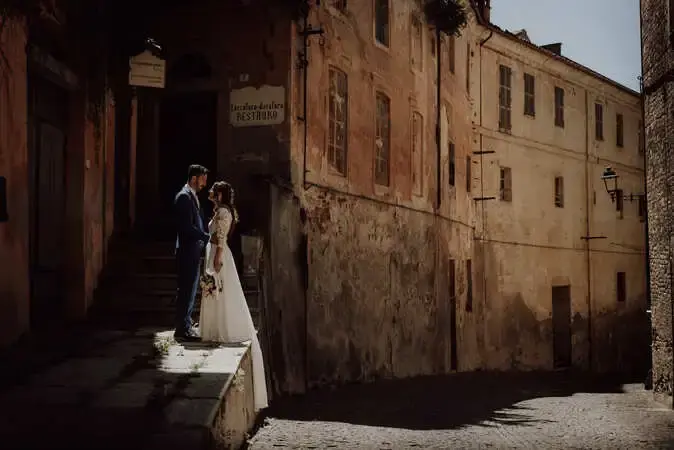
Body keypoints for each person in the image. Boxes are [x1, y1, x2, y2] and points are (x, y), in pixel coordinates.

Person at [199, 181, 268, 411]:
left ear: (219, 194)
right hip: (213, 253)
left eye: (212, 190)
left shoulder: (224, 212)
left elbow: (220, 237)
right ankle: (211, 327)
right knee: (211, 291)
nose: (209, 192)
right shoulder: (218, 210)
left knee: (218, 290)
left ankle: (220, 328)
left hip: (219, 255)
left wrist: (216, 259)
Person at [174, 164, 210, 341]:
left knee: (191, 288)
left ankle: (186, 324)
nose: (204, 185)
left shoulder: (192, 196)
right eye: (202, 180)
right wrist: (205, 236)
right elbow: (186, 227)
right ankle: (182, 328)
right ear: (194, 178)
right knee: (186, 289)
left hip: (193, 251)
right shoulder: (183, 197)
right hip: (187, 251)